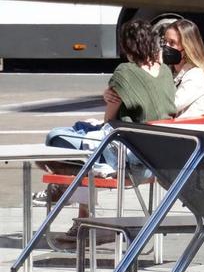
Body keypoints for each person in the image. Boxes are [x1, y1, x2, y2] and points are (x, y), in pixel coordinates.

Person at [37, 19, 176, 242]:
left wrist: (108, 99)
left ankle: (67, 193)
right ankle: (73, 200)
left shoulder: (125, 72)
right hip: (156, 155)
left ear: (127, 46)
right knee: (80, 151)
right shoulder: (166, 73)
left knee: (55, 139)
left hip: (127, 156)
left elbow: (108, 118)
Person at [104, 18, 204, 119]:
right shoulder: (172, 71)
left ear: (187, 47)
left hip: (185, 132)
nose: (166, 47)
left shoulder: (196, 75)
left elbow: (166, 106)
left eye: (172, 43)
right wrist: (112, 94)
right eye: (165, 41)